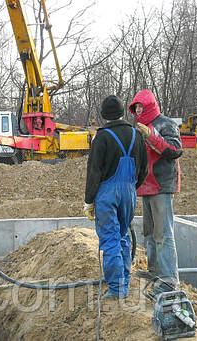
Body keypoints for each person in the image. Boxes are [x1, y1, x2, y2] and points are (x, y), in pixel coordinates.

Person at [84, 95, 148, 299]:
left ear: (104, 115)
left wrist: (89, 200)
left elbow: (94, 172)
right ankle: (124, 284)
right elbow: (144, 170)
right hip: (129, 192)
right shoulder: (136, 135)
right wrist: (131, 187)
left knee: (110, 239)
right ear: (122, 112)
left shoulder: (101, 137)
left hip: (107, 194)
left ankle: (116, 289)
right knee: (123, 237)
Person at [129, 89, 183, 294]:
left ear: (149, 105)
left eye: (141, 107)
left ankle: (169, 279)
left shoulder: (165, 124)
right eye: (136, 108)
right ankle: (154, 271)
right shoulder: (142, 128)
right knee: (149, 232)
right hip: (147, 185)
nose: (138, 111)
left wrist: (151, 136)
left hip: (162, 184)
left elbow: (175, 150)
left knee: (163, 233)